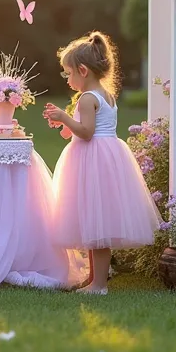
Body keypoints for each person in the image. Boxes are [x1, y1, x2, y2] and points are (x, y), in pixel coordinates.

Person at [43, 31, 161, 294]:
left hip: (92, 158)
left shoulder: (87, 98)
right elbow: (85, 128)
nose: (68, 79)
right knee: (95, 222)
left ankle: (98, 285)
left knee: (97, 224)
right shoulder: (106, 94)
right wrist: (63, 124)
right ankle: (94, 280)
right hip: (106, 155)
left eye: (68, 73)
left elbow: (85, 133)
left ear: (83, 70)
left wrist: (64, 116)